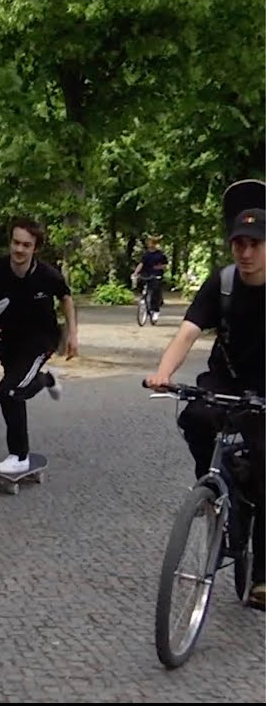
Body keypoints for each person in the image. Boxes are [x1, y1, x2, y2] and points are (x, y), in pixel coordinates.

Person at [144, 178, 265, 611]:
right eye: (238, 243)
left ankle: (262, 572)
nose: (245, 252)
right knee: (194, 416)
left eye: (255, 243)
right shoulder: (224, 282)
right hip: (226, 379)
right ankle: (212, 490)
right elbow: (189, 331)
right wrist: (162, 372)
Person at [0, 217, 78, 475]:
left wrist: (72, 333)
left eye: (26, 245)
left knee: (8, 392)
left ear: (35, 248)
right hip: (7, 341)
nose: (19, 249)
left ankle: (19, 455)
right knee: (14, 391)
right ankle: (47, 380)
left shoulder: (47, 275)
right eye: (16, 243)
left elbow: (66, 298)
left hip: (42, 339)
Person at [132, 236, 169, 322]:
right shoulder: (146, 254)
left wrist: (159, 267)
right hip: (146, 275)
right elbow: (141, 264)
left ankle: (155, 310)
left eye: (152, 243)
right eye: (149, 242)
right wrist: (135, 273)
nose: (150, 244)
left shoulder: (160, 255)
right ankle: (144, 301)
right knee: (141, 285)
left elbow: (165, 265)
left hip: (156, 275)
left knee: (155, 292)